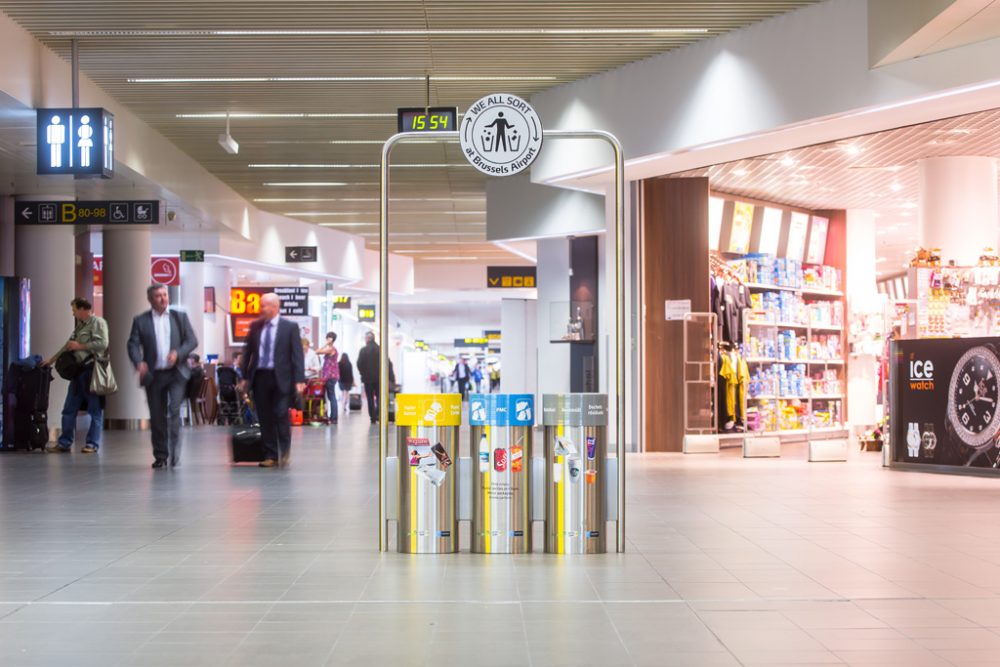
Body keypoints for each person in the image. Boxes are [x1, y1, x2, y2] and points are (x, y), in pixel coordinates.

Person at [127, 285, 198, 468]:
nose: (163, 299)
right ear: (150, 299)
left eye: (165, 295)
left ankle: (175, 454)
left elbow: (192, 341)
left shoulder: (179, 317)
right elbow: (132, 344)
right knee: (157, 416)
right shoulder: (141, 320)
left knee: (174, 412)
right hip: (154, 375)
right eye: (158, 296)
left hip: (176, 374)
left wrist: (178, 353)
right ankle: (161, 455)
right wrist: (138, 362)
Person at [239, 293, 305, 467]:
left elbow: (297, 355)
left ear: (276, 307)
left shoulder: (289, 327)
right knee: (265, 417)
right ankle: (271, 455)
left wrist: (299, 379)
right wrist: (244, 376)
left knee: (280, 413)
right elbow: (248, 353)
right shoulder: (255, 326)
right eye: (261, 305)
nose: (262, 309)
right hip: (261, 377)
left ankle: (284, 452)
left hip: (282, 378)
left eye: (265, 306)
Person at [43, 297, 108, 454]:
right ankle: (64, 443)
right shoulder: (80, 327)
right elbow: (67, 346)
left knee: (94, 410)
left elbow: (103, 344)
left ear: (82, 309)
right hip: (78, 374)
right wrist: (51, 360)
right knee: (68, 409)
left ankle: (92, 444)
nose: (73, 314)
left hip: (91, 372)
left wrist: (80, 346)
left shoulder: (98, 323)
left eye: (74, 310)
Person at [356, 331, 381, 423]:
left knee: (370, 397)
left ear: (367, 339)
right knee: (379, 397)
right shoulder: (380, 349)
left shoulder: (363, 350)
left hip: (367, 378)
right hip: (379, 378)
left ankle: (373, 417)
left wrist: (363, 373)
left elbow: (359, 364)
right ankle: (378, 414)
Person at [316, 332, 339, 424]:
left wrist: (327, 343)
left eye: (328, 338)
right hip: (329, 375)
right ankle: (332, 417)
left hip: (331, 376)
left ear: (332, 339)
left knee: (331, 396)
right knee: (330, 396)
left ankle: (334, 418)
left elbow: (317, 351)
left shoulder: (331, 349)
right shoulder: (330, 349)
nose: (327, 339)